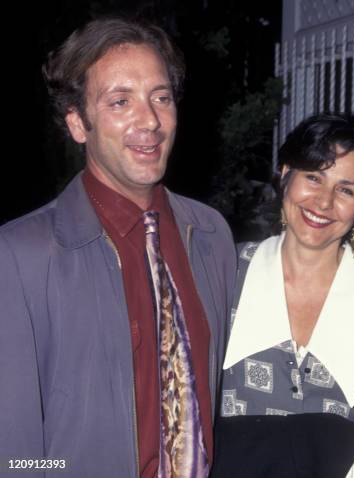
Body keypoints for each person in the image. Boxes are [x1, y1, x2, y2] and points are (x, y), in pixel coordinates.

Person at [0, 18, 235, 478]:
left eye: (161, 98)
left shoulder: (211, 235)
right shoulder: (20, 255)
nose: (149, 120)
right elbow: (14, 449)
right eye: (120, 101)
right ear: (77, 123)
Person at [212, 114, 354, 477]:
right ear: (285, 173)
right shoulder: (226, 271)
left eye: (346, 190)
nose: (323, 202)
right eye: (313, 178)